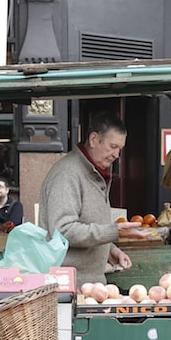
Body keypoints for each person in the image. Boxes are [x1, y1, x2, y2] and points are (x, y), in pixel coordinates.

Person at [40, 112, 149, 285]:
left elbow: (88, 223)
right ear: (93, 139)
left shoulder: (96, 172)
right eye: (112, 146)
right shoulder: (68, 174)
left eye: (119, 148)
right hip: (70, 285)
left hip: (89, 283)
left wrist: (110, 250)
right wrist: (114, 232)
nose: (116, 154)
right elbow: (63, 231)